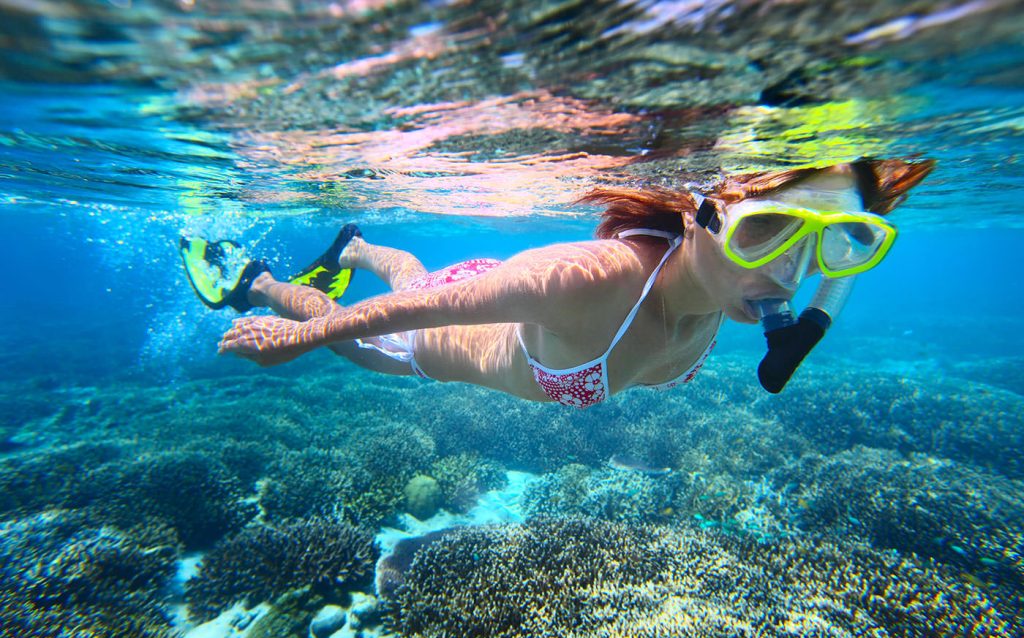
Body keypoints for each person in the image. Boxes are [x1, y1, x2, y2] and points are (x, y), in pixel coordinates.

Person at [184, 157, 933, 408]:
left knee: (421, 272)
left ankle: (356, 244)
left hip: (486, 297)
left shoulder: (743, 286)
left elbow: (836, 267)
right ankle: (258, 282)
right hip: (431, 338)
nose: (788, 273)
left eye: (828, 243)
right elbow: (426, 307)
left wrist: (826, 304)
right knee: (372, 319)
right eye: (763, 229)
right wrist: (300, 337)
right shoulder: (600, 278)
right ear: (701, 217)